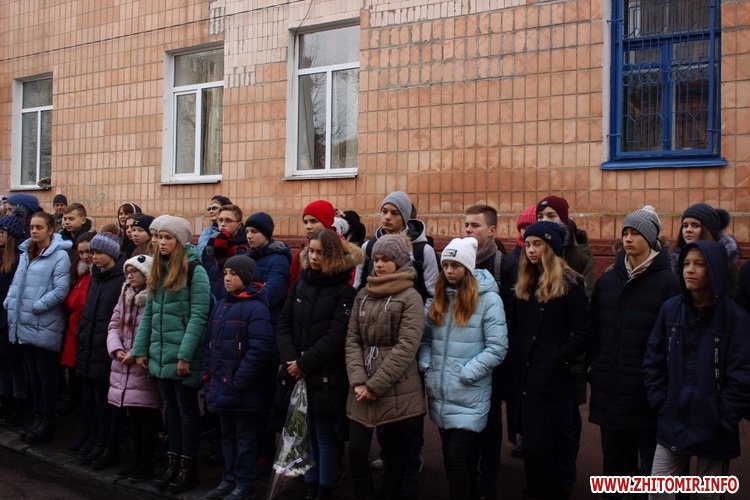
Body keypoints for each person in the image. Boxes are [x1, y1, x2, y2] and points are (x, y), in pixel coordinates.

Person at [643, 241, 750, 498]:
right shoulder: (670, 309)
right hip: (673, 420)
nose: (690, 270)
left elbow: (742, 374)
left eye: (699, 264)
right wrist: (660, 400)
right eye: (686, 263)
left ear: (714, 270)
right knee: (658, 492)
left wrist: (724, 416)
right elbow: (653, 360)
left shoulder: (735, 318)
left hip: (714, 426)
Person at [588, 206, 681, 486]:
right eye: (625, 232)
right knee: (615, 463)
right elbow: (594, 331)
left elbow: (672, 341)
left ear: (651, 238)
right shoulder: (608, 281)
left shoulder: (669, 283)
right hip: (611, 388)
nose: (628, 238)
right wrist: (597, 367)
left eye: (636, 233)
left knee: (652, 467)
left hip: (647, 393)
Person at [506, 221, 592, 499]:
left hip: (552, 381)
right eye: (528, 245)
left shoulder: (570, 284)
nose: (531, 250)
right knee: (530, 448)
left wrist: (556, 359)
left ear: (551, 247)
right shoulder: (524, 284)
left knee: (547, 448)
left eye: (538, 244)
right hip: (525, 379)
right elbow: (516, 330)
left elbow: (582, 333)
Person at [276, 229, 363, 500]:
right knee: (307, 433)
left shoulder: (344, 292)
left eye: (321, 253)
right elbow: (284, 322)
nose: (314, 257)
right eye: (311, 251)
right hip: (297, 371)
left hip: (326, 375)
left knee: (324, 435)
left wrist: (304, 363)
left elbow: (336, 336)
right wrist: (291, 358)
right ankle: (310, 486)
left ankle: (325, 489)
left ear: (332, 255)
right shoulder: (302, 282)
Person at [419, 237, 507, 500]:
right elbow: (427, 340)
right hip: (441, 393)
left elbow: (497, 347)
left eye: (455, 265)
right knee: (455, 459)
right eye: (445, 265)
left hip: (469, 392)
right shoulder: (441, 298)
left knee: (457, 457)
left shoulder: (489, 300)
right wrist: (428, 365)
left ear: (467, 267)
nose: (448, 270)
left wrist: (467, 373)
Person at [131, 215, 210, 494]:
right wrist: (140, 349)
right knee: (171, 412)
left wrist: (185, 355)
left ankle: (188, 469)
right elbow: (150, 313)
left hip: (181, 356)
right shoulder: (159, 269)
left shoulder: (195, 271)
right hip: (160, 353)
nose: (160, 242)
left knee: (187, 412)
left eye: (167, 238)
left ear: (180, 241)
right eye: (158, 237)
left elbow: (199, 316)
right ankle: (172, 464)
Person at [346, 234, 426, 500]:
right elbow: (353, 340)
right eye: (376, 259)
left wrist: (374, 386)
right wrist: (359, 381)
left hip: (396, 388)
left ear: (400, 262)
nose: (378, 265)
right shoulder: (363, 295)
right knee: (357, 450)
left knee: (394, 455)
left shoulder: (410, 297)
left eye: (386, 260)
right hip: (361, 386)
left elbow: (406, 346)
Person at [202, 255, 276, 500]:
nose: (227, 278)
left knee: (245, 438)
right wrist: (208, 373)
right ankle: (229, 478)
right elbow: (210, 342)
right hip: (221, 384)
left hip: (243, 389)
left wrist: (238, 380)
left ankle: (245, 482)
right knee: (227, 436)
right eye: (225, 273)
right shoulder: (222, 305)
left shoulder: (256, 307)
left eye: (233, 274)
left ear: (246, 277)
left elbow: (260, 349)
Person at [461, 204, 515, 499]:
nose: (468, 230)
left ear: (492, 231)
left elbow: (512, 317)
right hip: (462, 357)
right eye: (466, 225)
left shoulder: (503, 265)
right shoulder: (458, 262)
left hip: (492, 362)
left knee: (490, 426)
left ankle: (488, 486)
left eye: (475, 225)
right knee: (465, 427)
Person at [4, 211, 71, 444]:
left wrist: (38, 305)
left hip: (44, 323)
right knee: (33, 375)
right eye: (32, 227)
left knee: (46, 377)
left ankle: (48, 421)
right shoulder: (26, 252)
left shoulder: (59, 255)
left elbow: (61, 289)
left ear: (50, 230)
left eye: (39, 227)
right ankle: (38, 417)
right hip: (24, 323)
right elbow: (17, 283)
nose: (34, 231)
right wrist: (9, 302)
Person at [107, 254, 161, 482]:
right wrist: (116, 349)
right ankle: (137, 462)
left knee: (145, 419)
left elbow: (155, 330)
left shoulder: (154, 297)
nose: (130, 276)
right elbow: (114, 324)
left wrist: (137, 353)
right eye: (127, 272)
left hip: (141, 365)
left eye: (134, 272)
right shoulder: (125, 294)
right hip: (123, 365)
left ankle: (147, 463)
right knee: (133, 418)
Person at [75, 232, 126, 468]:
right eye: (92, 252)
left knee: (109, 403)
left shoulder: (120, 280)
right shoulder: (96, 276)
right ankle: (96, 439)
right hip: (90, 346)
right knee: (94, 399)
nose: (93, 257)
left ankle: (109, 446)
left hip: (107, 349)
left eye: (98, 252)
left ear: (112, 254)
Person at [354, 191, 439, 312]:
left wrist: (419, 320)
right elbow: (359, 287)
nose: (387, 217)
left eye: (395, 213)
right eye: (384, 211)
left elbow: (432, 295)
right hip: (372, 319)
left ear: (404, 217)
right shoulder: (368, 247)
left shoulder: (423, 251)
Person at [60, 231, 96, 424]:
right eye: (81, 253)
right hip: (73, 329)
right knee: (74, 372)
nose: (85, 256)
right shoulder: (80, 274)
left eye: (89, 251)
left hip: (85, 330)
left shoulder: (95, 277)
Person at [669, 203, 740, 292]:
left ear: (709, 230)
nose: (688, 230)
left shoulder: (726, 260)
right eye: (685, 225)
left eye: (695, 225)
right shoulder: (674, 259)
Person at [0, 215, 27, 427]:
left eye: (2, 232)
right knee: (2, 366)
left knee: (14, 365)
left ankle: (19, 403)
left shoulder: (18, 260)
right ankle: (5, 399)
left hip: (8, 320)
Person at [244, 211, 291, 325]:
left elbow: (271, 295)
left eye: (254, 231)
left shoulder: (279, 260)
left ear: (266, 234)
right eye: (247, 231)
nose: (249, 236)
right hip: (244, 318)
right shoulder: (244, 258)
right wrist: (258, 287)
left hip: (267, 320)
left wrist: (245, 291)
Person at [289, 199, 337, 289]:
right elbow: (292, 287)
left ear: (327, 222)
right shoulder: (301, 254)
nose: (308, 226)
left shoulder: (343, 252)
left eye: (313, 221)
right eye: (305, 222)